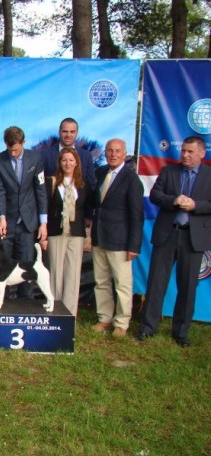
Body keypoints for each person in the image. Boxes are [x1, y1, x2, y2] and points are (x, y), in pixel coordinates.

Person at [138, 136, 211, 347]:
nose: (185, 155)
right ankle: (147, 328)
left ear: (201, 153)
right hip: (167, 234)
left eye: (190, 152)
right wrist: (173, 200)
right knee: (156, 283)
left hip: (192, 238)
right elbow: (155, 195)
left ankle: (180, 332)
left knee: (188, 286)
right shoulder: (169, 171)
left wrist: (196, 205)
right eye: (184, 151)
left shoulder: (208, 174)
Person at [91, 139, 143, 337]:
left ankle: (121, 323)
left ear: (125, 153)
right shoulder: (101, 172)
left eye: (117, 151)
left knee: (122, 284)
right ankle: (104, 319)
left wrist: (134, 245)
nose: (113, 154)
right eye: (109, 150)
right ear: (105, 153)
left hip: (121, 242)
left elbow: (137, 215)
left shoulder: (132, 179)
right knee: (101, 282)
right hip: (100, 238)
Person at [0, 126, 47, 299]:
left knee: (27, 270)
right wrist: (1, 217)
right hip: (6, 223)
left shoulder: (36, 158)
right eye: (9, 149)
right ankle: (1, 308)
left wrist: (43, 222)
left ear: (24, 142)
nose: (13, 153)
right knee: (3, 269)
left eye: (15, 149)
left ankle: (25, 308)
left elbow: (41, 190)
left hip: (28, 223)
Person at [42, 147, 92, 316]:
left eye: (71, 160)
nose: (68, 163)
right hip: (56, 232)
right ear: (60, 163)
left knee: (73, 273)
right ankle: (55, 310)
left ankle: (70, 314)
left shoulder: (83, 185)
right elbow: (46, 209)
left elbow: (87, 209)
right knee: (55, 271)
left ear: (76, 162)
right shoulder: (53, 182)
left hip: (76, 233)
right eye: (64, 160)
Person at [40, 117, 96, 190]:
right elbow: (40, 185)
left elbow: (91, 184)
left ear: (77, 133)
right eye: (65, 131)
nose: (68, 135)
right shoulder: (44, 155)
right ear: (59, 132)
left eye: (72, 132)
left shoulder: (86, 155)